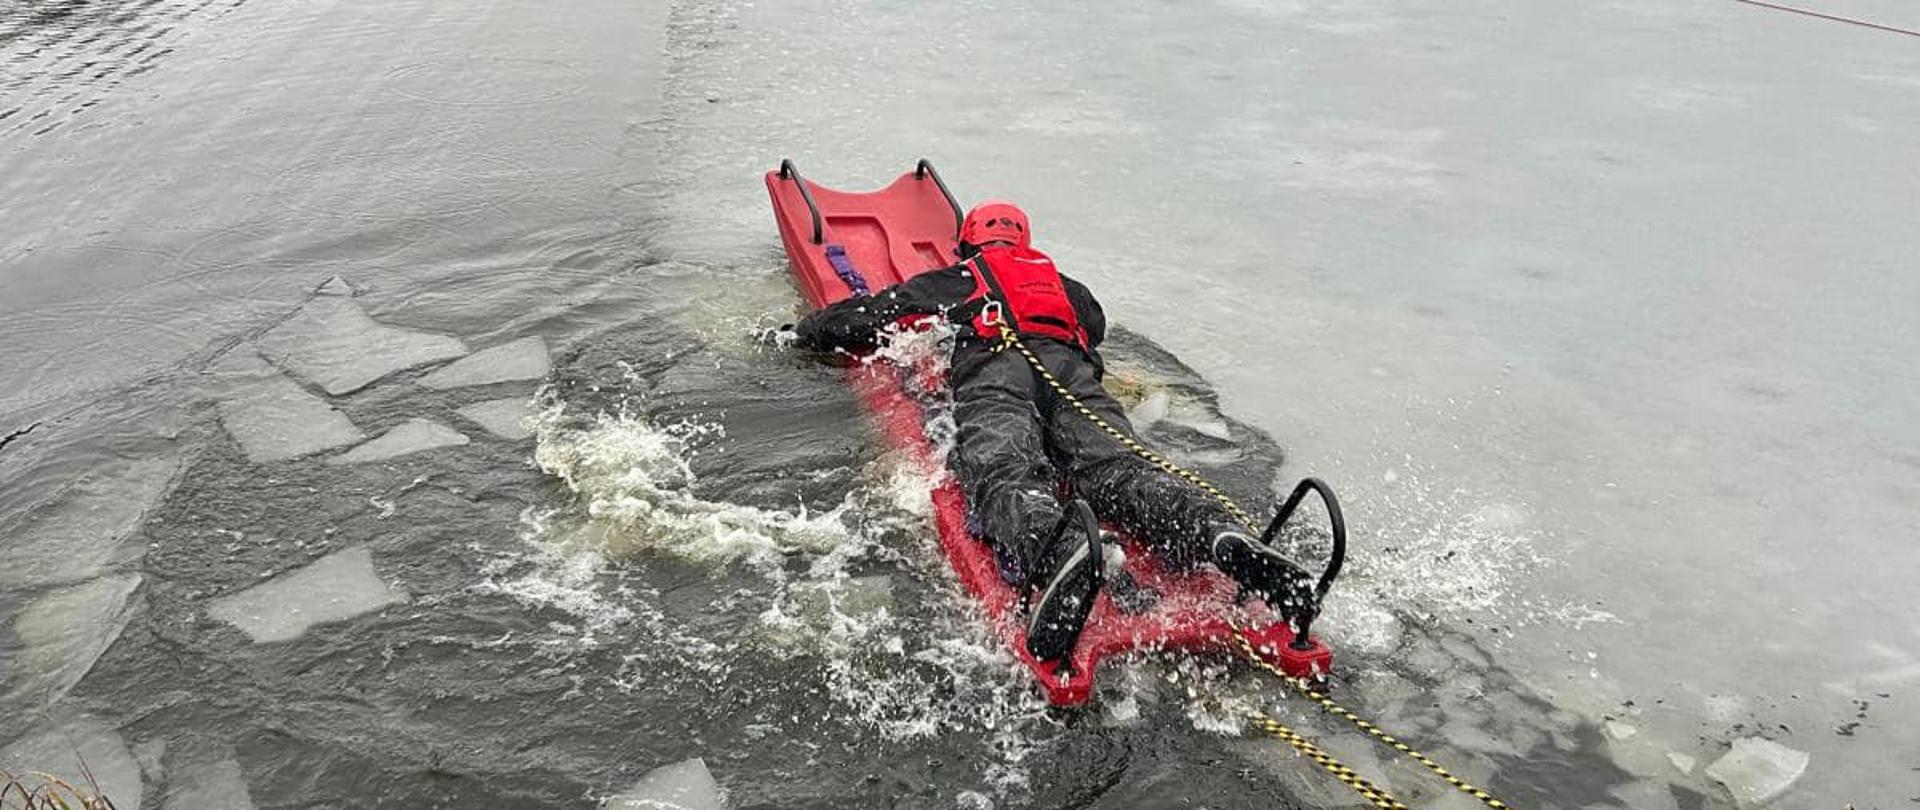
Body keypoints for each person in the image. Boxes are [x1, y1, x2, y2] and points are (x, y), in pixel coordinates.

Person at [772, 201, 1315, 661]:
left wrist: (802, 335)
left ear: (969, 244)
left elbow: (879, 311)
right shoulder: (1064, 284)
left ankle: (1056, 550)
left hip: (999, 366)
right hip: (1073, 373)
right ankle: (1218, 535)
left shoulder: (966, 277)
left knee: (1003, 465)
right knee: (1117, 468)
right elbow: (1093, 326)